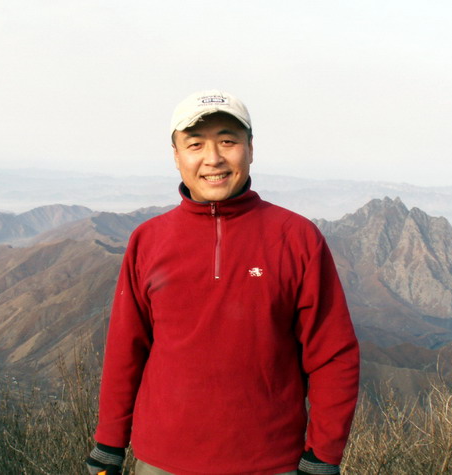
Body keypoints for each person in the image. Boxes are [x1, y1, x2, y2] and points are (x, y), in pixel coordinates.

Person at [86, 90, 360, 475]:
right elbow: (126, 349)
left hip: (271, 462)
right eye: (195, 144)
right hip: (161, 460)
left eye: (228, 141)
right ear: (176, 155)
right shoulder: (148, 240)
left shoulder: (296, 237)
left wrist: (323, 455)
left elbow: (333, 354)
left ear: (251, 148)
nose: (213, 158)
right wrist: (109, 444)